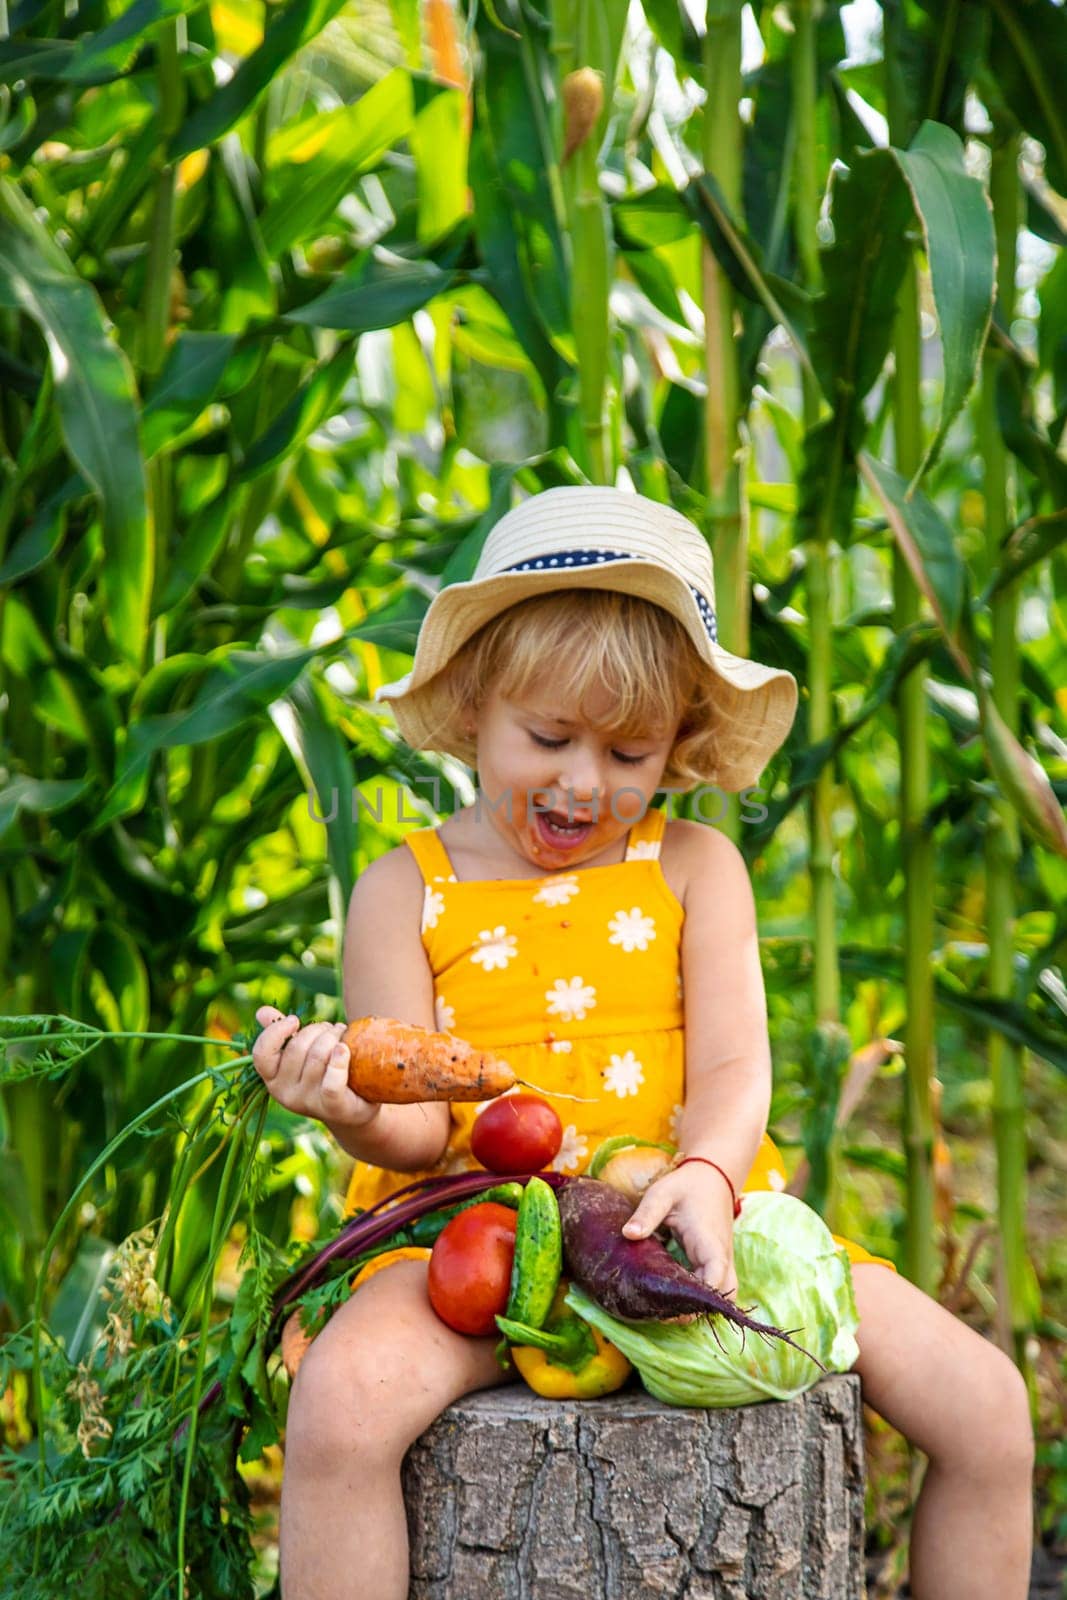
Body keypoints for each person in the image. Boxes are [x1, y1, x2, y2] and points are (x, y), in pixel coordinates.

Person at [252, 486, 1034, 1600]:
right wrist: (343, 1102)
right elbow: (419, 1124)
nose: (583, 781)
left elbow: (730, 1066)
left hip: (685, 1222)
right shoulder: (402, 891)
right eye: (548, 737)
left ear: (680, 745)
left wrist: (712, 1177)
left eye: (629, 751)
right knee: (336, 1407)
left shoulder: (690, 869)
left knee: (988, 1408)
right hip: (472, 1244)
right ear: (475, 704)